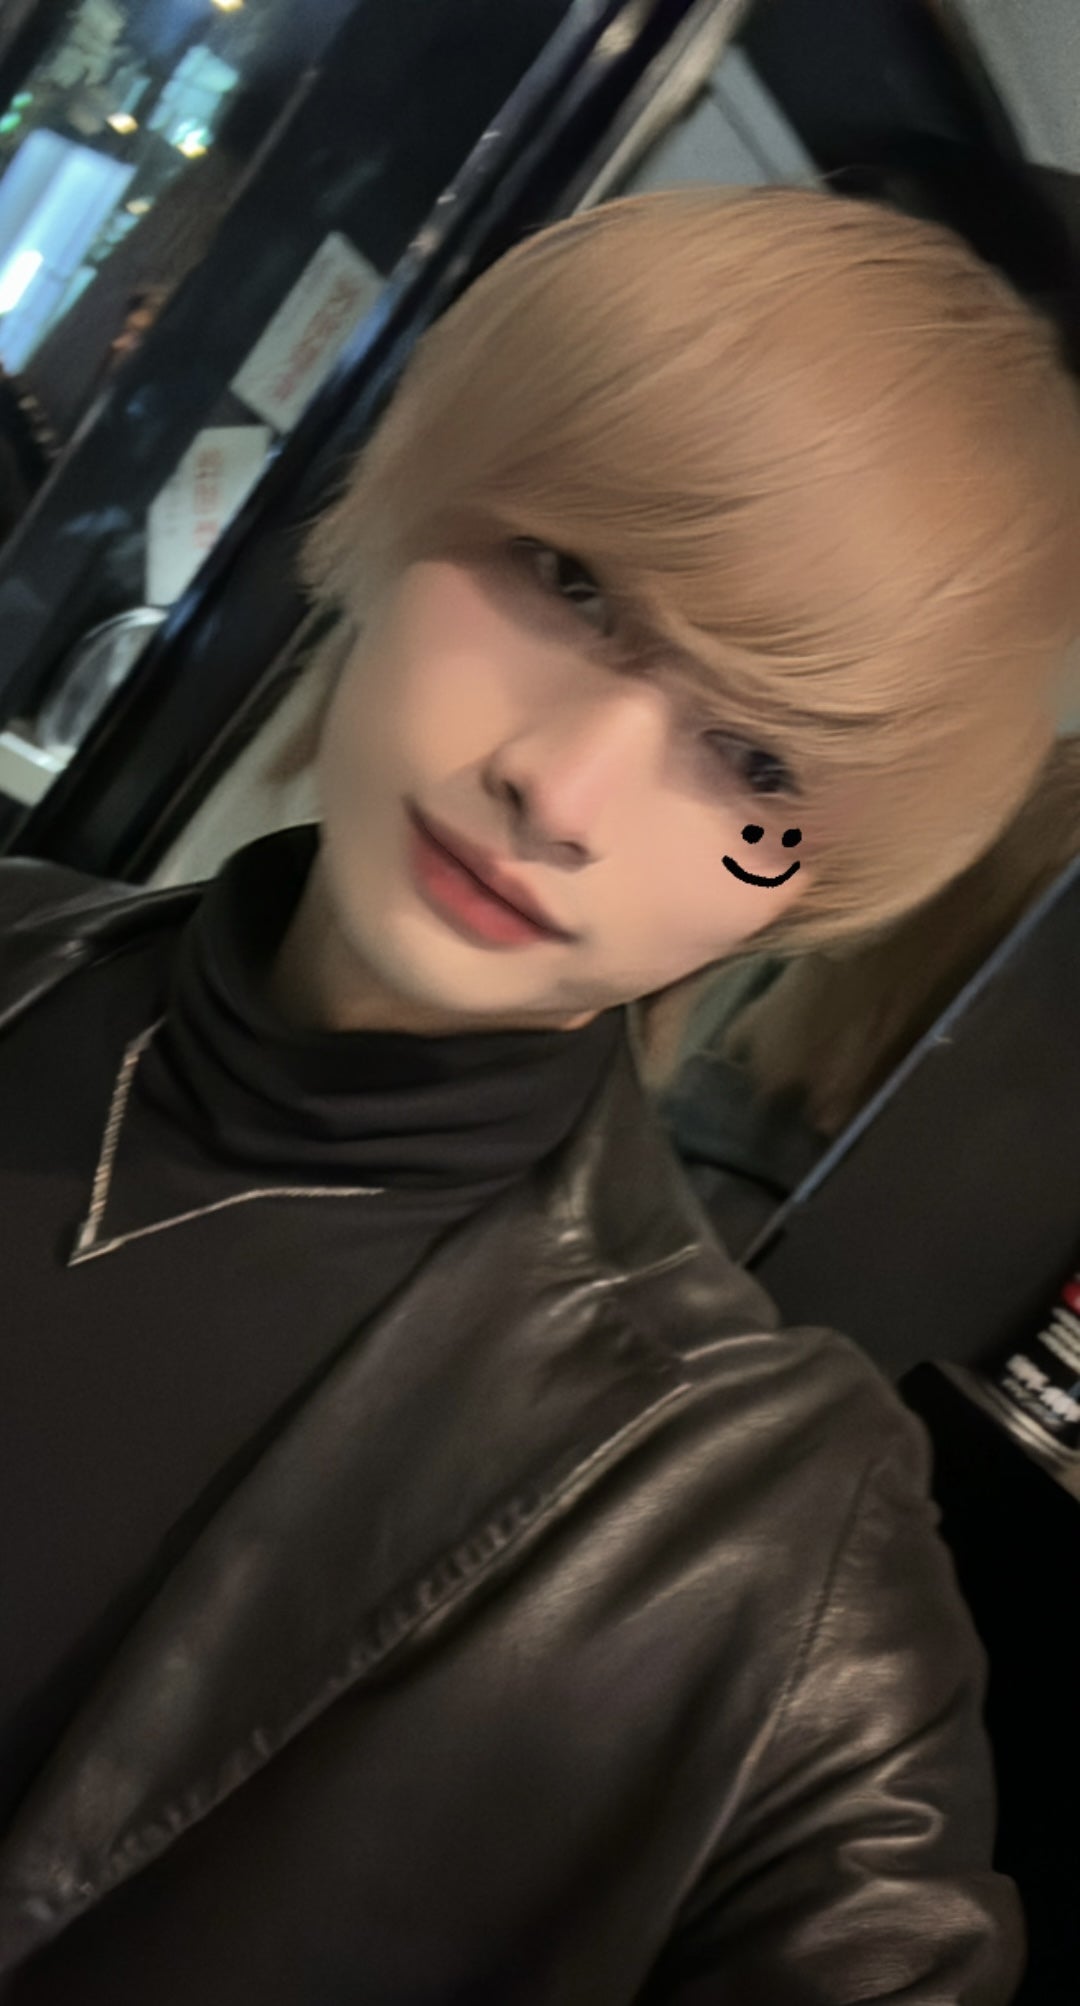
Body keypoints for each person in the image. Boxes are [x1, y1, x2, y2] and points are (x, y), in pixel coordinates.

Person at [1, 185, 1079, 2004]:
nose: (561, 790)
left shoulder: (756, 1533)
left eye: (757, 757)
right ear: (412, 496)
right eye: (572, 582)